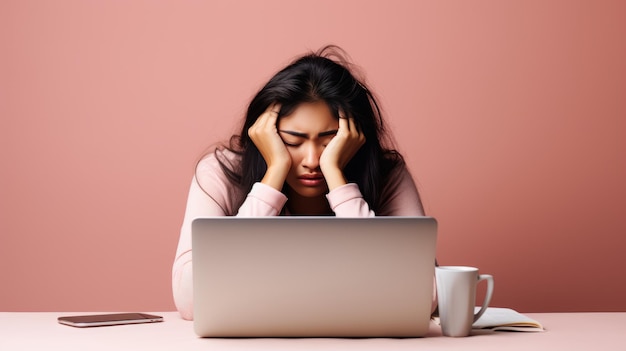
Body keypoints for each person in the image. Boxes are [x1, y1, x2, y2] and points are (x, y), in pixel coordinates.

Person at [172, 45, 429, 320]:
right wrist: (273, 176)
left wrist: (340, 184)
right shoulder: (219, 172)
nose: (312, 159)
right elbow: (191, 299)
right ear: (264, 137)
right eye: (292, 141)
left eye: (330, 141)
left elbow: (427, 295)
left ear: (355, 138)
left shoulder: (386, 173)